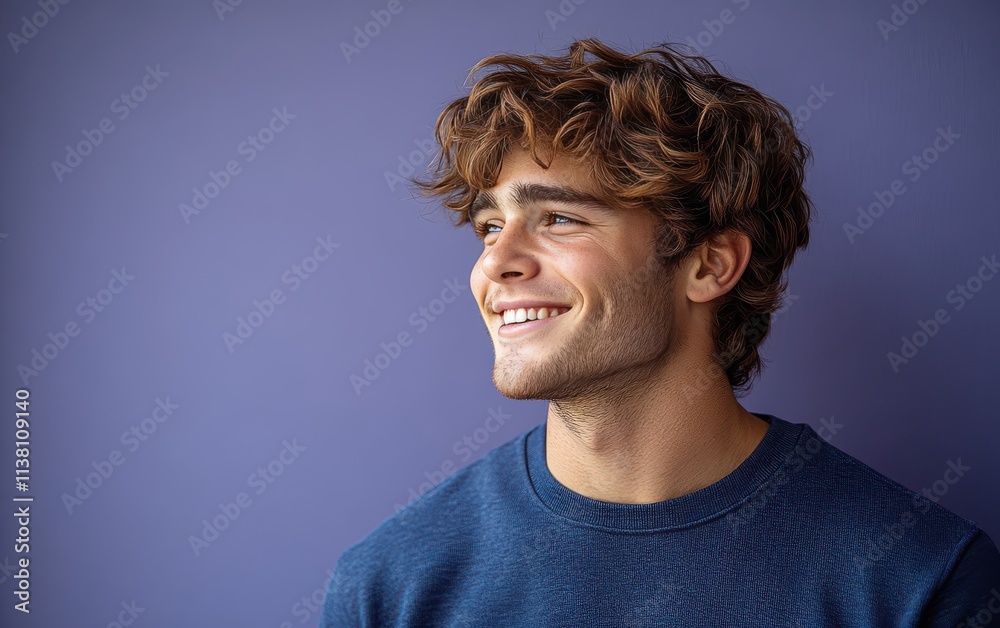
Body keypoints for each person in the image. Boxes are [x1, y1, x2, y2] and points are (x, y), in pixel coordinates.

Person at [322, 37, 1000, 626]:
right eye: (490, 226)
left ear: (709, 265)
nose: (494, 265)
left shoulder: (918, 578)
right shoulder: (389, 585)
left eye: (559, 219)